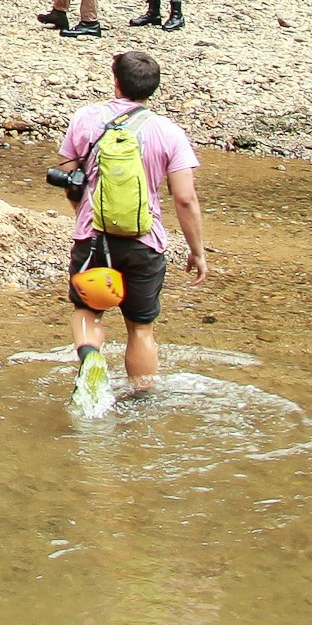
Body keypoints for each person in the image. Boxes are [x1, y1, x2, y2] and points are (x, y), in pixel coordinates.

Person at [58, 46, 208, 407]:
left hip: (93, 238)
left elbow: (66, 173)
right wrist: (197, 251)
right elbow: (185, 199)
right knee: (140, 327)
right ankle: (142, 402)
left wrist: (80, 206)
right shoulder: (168, 132)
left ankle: (91, 357)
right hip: (146, 243)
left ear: (116, 81)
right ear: (152, 89)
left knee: (87, 311)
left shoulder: (86, 119)